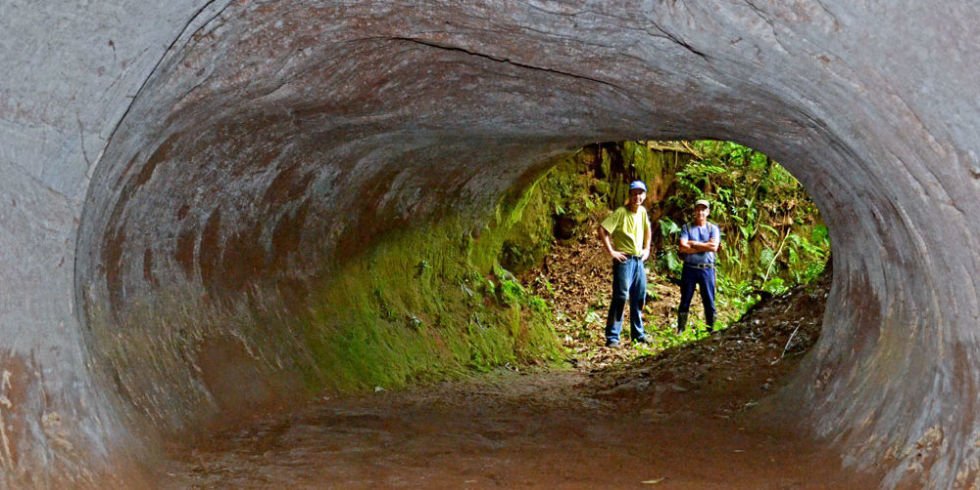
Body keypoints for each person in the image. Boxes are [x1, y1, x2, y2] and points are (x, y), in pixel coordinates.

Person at [598, 180, 653, 348]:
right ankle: (613, 337)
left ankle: (638, 334)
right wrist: (612, 251)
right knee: (621, 296)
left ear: (644, 195)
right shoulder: (621, 212)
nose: (637, 196)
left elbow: (647, 230)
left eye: (640, 193)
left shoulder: (642, 212)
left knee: (639, 297)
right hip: (625, 261)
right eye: (634, 193)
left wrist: (647, 248)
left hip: (638, 261)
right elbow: (603, 229)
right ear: (629, 195)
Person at [677, 199, 721, 332]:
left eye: (703, 209)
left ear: (707, 212)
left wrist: (693, 244)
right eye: (698, 209)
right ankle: (681, 330)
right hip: (689, 268)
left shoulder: (712, 228)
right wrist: (704, 246)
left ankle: (711, 329)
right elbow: (682, 247)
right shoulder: (687, 227)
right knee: (685, 299)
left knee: (709, 300)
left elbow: (713, 247)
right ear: (694, 211)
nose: (700, 212)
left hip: (707, 269)